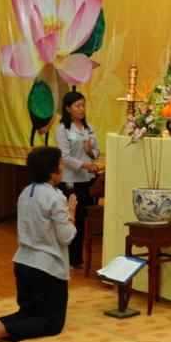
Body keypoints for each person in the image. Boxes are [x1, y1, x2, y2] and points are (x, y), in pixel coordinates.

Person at [0, 147, 77, 342]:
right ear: (52, 172)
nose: (64, 166)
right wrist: (71, 215)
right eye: (61, 163)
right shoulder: (55, 197)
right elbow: (66, 237)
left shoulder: (26, 192)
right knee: (52, 322)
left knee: (29, 312)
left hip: (23, 263)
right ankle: (3, 329)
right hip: (46, 268)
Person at [54, 91, 101, 269]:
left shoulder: (89, 128)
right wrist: (84, 165)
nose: (81, 109)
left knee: (82, 220)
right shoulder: (62, 130)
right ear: (68, 109)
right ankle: (65, 258)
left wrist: (90, 153)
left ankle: (76, 259)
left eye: (83, 105)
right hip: (70, 181)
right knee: (69, 219)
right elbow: (65, 157)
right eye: (77, 106)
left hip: (87, 181)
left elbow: (96, 152)